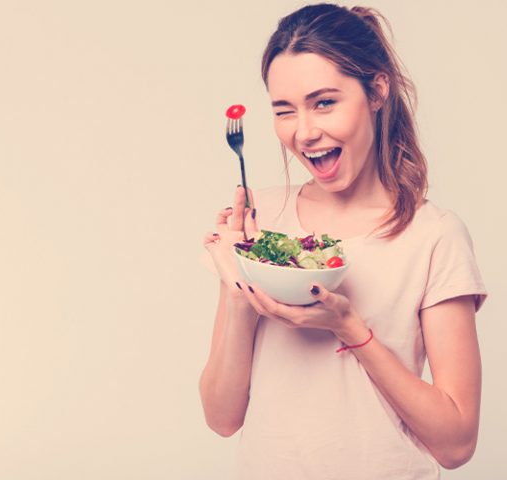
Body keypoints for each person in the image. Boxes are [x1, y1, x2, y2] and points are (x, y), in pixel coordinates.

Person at [199, 4, 488, 478]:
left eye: (324, 102)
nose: (305, 132)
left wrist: (350, 327)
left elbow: (456, 444)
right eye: (284, 110)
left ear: (377, 91)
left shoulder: (434, 236)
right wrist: (240, 285)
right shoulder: (259, 221)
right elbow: (221, 418)